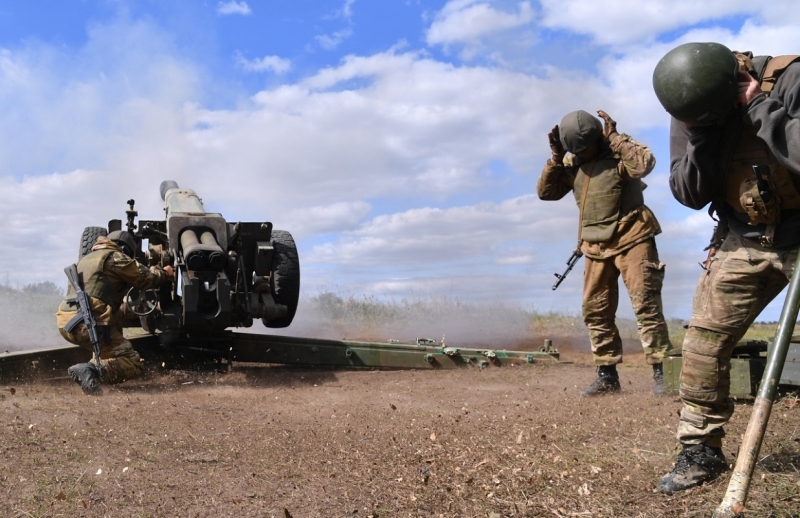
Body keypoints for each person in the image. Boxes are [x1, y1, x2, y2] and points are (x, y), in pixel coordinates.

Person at [652, 42, 800, 493]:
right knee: (702, 344)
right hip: (743, 237)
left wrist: (757, 105)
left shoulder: (790, 79)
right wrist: (702, 136)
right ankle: (700, 450)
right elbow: (688, 191)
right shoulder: (690, 105)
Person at [537, 109, 673, 396]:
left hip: (632, 236)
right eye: (578, 149)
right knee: (595, 311)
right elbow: (546, 192)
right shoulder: (572, 163)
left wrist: (614, 137)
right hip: (595, 246)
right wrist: (555, 158)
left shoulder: (617, 154)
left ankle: (664, 374)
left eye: (587, 147)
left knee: (646, 305)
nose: (584, 153)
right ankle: (607, 375)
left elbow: (644, 164)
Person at [56, 230, 174, 395]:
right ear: (125, 249)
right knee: (134, 362)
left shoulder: (83, 261)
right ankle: (92, 371)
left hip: (66, 322)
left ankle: (90, 378)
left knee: (107, 349)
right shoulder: (115, 258)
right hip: (90, 323)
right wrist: (164, 272)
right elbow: (147, 278)